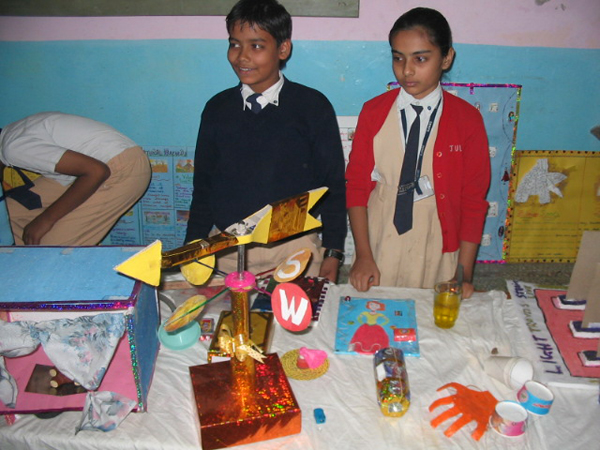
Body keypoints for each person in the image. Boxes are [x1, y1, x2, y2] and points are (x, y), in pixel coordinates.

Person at [185, 0, 347, 282]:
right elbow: (203, 187)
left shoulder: (312, 107)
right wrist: (193, 245)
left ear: (283, 49)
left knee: (295, 311)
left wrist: (333, 251)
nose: (242, 57)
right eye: (235, 45)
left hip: (294, 250)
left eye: (256, 46)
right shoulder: (217, 109)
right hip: (227, 249)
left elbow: (332, 185)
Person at [345, 7, 490, 298]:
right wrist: (363, 255)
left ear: (446, 58)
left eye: (420, 59)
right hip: (380, 241)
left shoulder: (467, 120)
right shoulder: (373, 112)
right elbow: (357, 187)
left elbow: (473, 201)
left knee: (431, 320)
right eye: (398, 58)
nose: (407, 70)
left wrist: (463, 274)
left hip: (437, 243)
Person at [0, 112, 151, 246]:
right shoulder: (11, 133)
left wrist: (45, 220)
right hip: (82, 171)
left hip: (119, 170)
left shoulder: (14, 148)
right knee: (9, 213)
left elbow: (96, 171)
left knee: (50, 248)